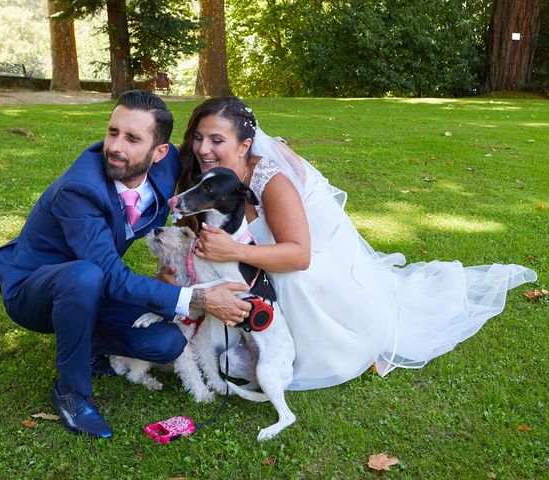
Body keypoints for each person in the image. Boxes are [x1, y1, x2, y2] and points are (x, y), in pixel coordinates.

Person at [177, 96, 538, 391]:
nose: (203, 148)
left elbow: (300, 255)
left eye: (216, 140)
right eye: (198, 137)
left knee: (290, 280)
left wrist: (236, 251)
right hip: (266, 253)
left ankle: (321, 346)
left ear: (245, 145)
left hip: (314, 254)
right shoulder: (204, 178)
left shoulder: (272, 182)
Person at [0, 91, 251, 439]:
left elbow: (207, 159)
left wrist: (259, 159)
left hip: (94, 286)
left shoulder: (167, 165)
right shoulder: (79, 190)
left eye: (132, 138)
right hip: (33, 290)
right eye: (113, 132)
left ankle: (92, 342)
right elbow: (110, 275)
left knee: (167, 343)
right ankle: (72, 391)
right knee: (85, 275)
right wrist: (199, 299)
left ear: (159, 152)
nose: (116, 146)